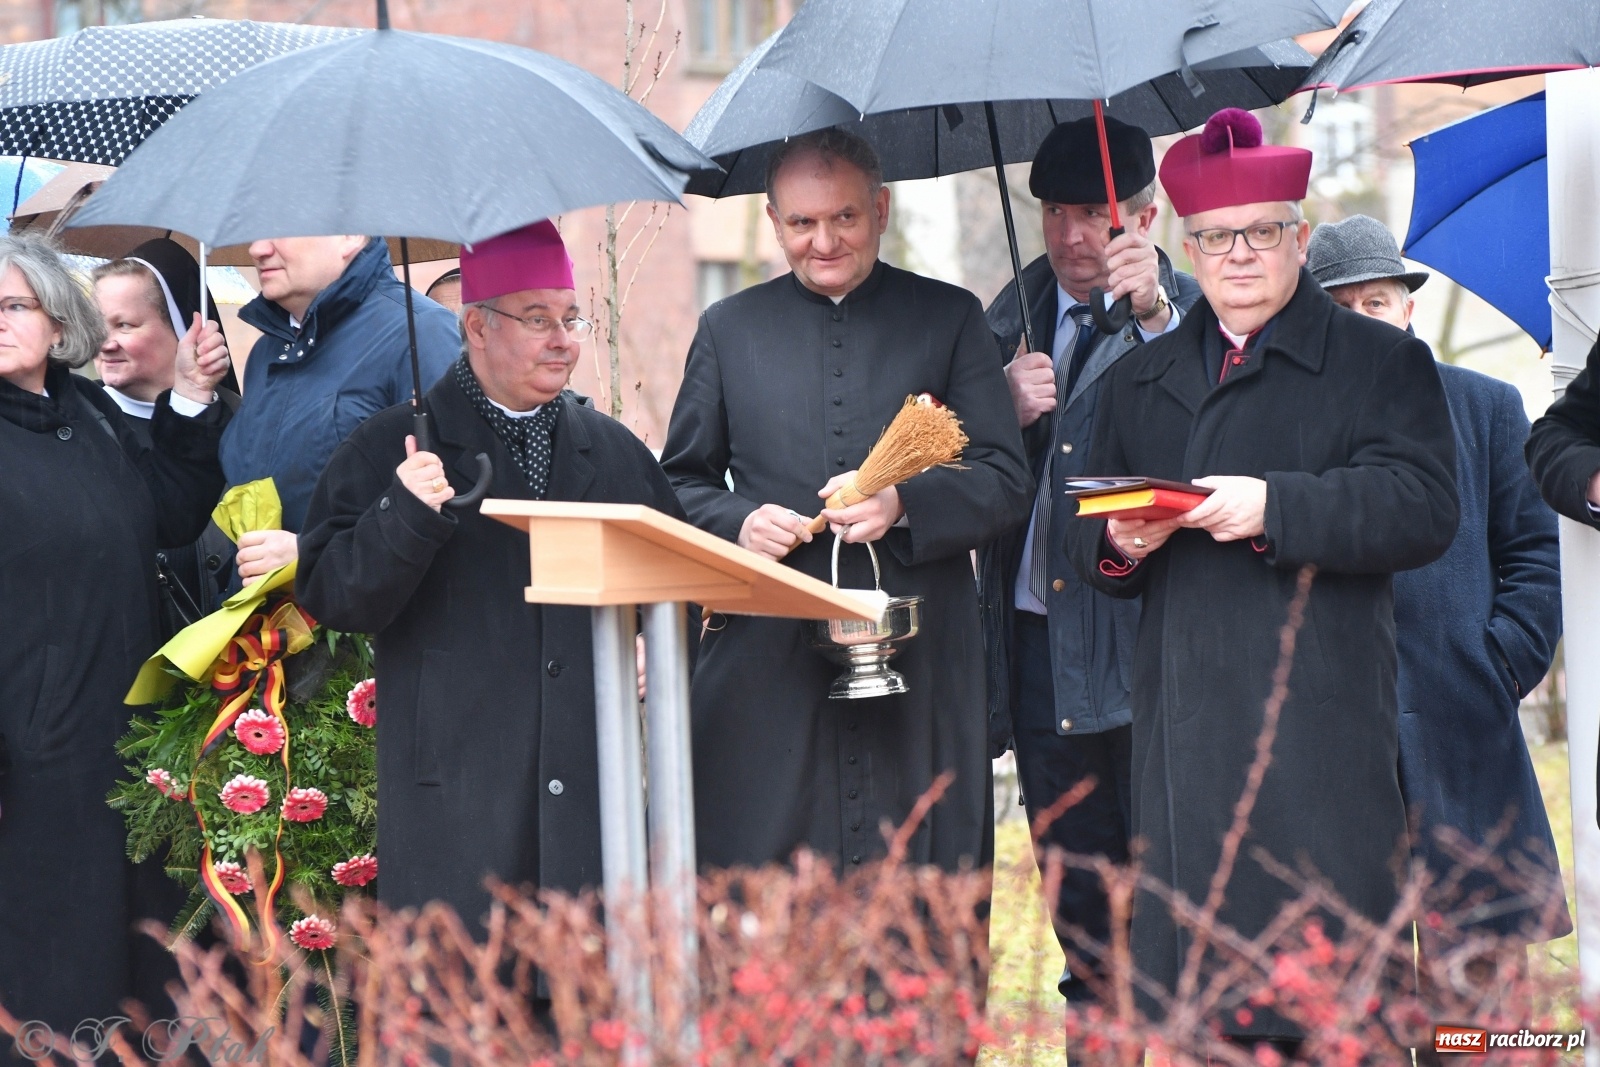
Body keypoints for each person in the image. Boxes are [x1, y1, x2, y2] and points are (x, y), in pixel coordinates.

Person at [1065, 109, 1459, 1052]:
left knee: (1332, 1001)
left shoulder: (1382, 362)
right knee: (1203, 1007)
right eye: (1214, 238)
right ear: (1186, 247)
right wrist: (1123, 539)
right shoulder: (1136, 381)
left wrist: (1273, 506)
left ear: (1300, 237)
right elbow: (1088, 558)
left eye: (1262, 232)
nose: (1238, 254)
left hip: (1321, 735)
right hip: (1186, 745)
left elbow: (1423, 507)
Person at [297, 222, 683, 973]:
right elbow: (334, 594)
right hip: (457, 811)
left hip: (590, 813)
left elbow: (680, 572)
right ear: (476, 325)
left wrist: (649, 635)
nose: (563, 340)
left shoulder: (612, 450)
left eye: (571, 318)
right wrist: (403, 511)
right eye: (537, 319)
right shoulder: (390, 446)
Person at [660, 127, 1032, 882]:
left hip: (923, 654)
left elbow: (1005, 476)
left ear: (883, 209)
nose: (823, 241)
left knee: (924, 890)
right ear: (772, 221)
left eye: (845, 218)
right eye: (801, 222)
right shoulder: (728, 332)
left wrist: (905, 502)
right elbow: (679, 485)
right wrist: (741, 521)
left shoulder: (949, 316)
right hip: (770, 662)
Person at [1308, 214, 1567, 1058]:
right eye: (1341, 307)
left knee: (1479, 1012)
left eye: (1376, 300)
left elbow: (1535, 550)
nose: (1363, 319)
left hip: (1466, 733)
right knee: (1363, 999)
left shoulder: (1486, 407)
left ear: (1407, 308)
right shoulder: (1293, 428)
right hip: (1341, 746)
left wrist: (1500, 658)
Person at [979, 115, 1200, 1004]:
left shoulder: (1186, 314)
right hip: (1037, 653)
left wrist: (1152, 315)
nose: (1075, 235)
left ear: (1144, 219)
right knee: (1080, 912)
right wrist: (996, 410)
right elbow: (944, 471)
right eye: (1058, 212)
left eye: (1097, 215)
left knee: (1171, 903)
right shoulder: (1000, 323)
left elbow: (1207, 425)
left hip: (1147, 647)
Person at [0, 233, 230, 1029]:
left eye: (12, 305)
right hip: (33, 762)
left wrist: (193, 398)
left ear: (58, 323)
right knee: (55, 973)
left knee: (145, 967)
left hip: (133, 743)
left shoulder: (89, 409)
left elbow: (167, 509)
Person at [221, 234, 458, 588]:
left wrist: (309, 553)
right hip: (268, 630)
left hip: (365, 630)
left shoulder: (421, 331)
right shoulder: (266, 352)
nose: (257, 248)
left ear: (350, 235)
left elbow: (450, 501)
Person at [93, 238, 239, 634]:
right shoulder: (83, 430)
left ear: (182, 326)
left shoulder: (245, 420)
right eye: (97, 326)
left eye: (124, 325)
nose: (105, 344)